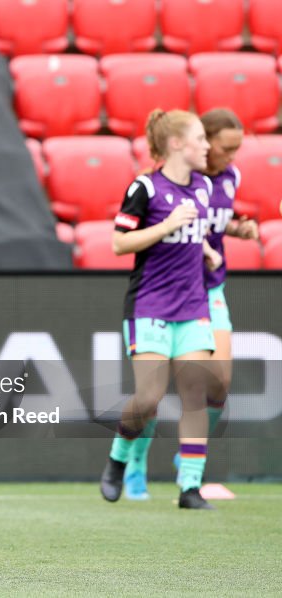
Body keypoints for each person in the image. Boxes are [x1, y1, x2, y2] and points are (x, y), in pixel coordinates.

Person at [122, 108, 256, 501]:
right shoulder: (181, 180)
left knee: (220, 383)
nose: (231, 157)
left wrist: (237, 228)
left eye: (237, 150)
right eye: (225, 148)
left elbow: (215, 221)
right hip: (171, 291)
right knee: (153, 394)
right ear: (204, 140)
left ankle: (188, 456)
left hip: (209, 288)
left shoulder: (229, 178)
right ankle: (136, 460)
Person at [99, 109, 219, 510]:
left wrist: (204, 250)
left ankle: (190, 487)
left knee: (195, 394)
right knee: (149, 397)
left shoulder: (203, 186)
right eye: (200, 138)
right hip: (150, 304)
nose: (207, 146)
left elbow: (193, 231)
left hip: (193, 304)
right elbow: (119, 244)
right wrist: (167, 225)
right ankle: (118, 456)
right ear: (176, 144)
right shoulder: (145, 187)